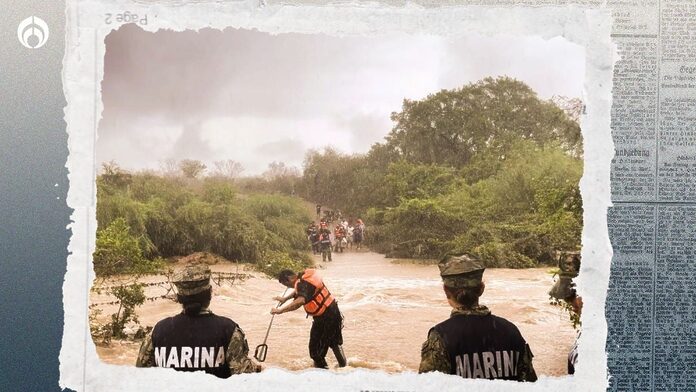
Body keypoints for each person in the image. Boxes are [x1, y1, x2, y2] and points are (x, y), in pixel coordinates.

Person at [419, 254, 537, 381]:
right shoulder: (510, 331)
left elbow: (428, 385)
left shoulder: (440, 336)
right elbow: (531, 384)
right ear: (481, 289)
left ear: (446, 291)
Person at [135, 263, 262, 377]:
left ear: (179, 298)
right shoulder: (229, 330)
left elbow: (141, 374)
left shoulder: (158, 331)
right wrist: (257, 368)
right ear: (210, 294)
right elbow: (243, 377)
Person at [271, 269, 347, 369]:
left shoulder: (302, 283)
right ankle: (341, 369)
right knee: (327, 345)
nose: (288, 287)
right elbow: (299, 291)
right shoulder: (304, 278)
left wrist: (280, 310)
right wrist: (285, 299)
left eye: (286, 285)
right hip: (330, 312)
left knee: (318, 350)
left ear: (289, 278)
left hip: (327, 316)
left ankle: (330, 372)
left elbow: (300, 300)